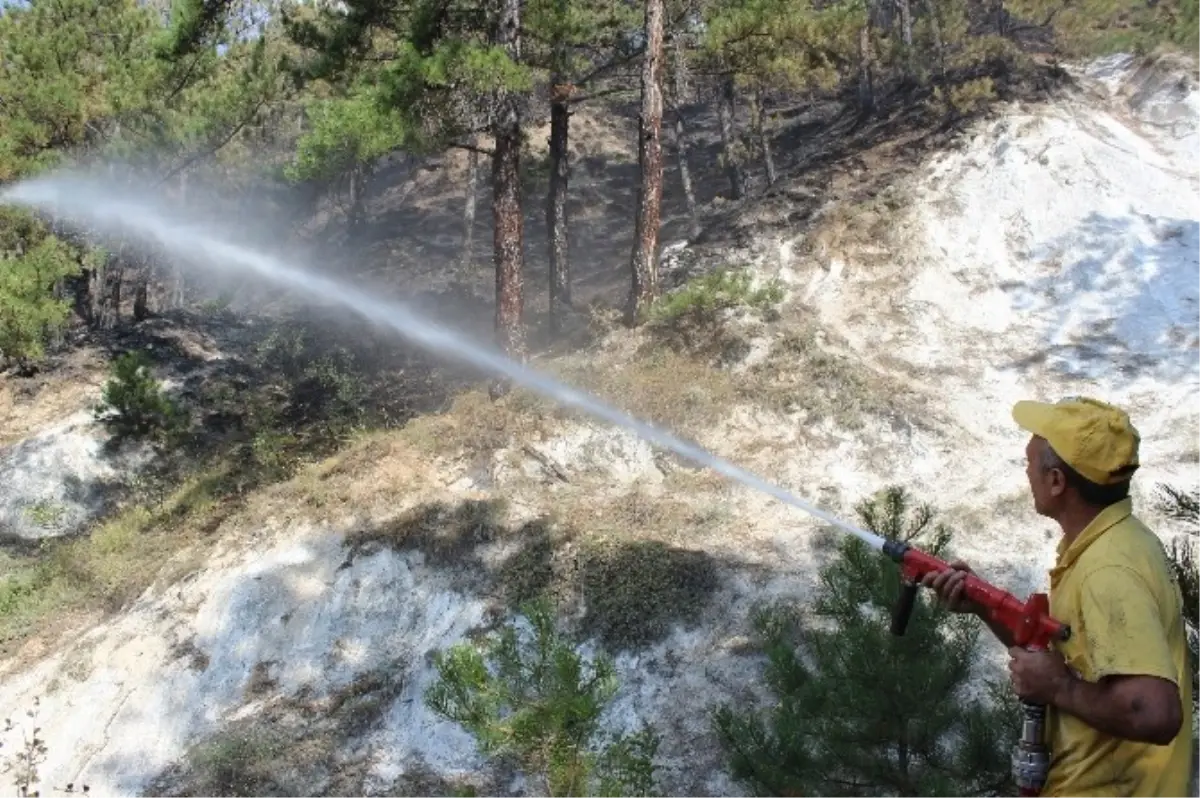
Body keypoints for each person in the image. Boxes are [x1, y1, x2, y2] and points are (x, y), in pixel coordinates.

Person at [923, 396, 1192, 796]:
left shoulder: (1108, 572)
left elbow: (1154, 712)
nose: (1026, 473)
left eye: (1029, 464)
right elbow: (1071, 654)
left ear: (1056, 481)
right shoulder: (1118, 541)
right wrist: (983, 603)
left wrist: (1059, 689)